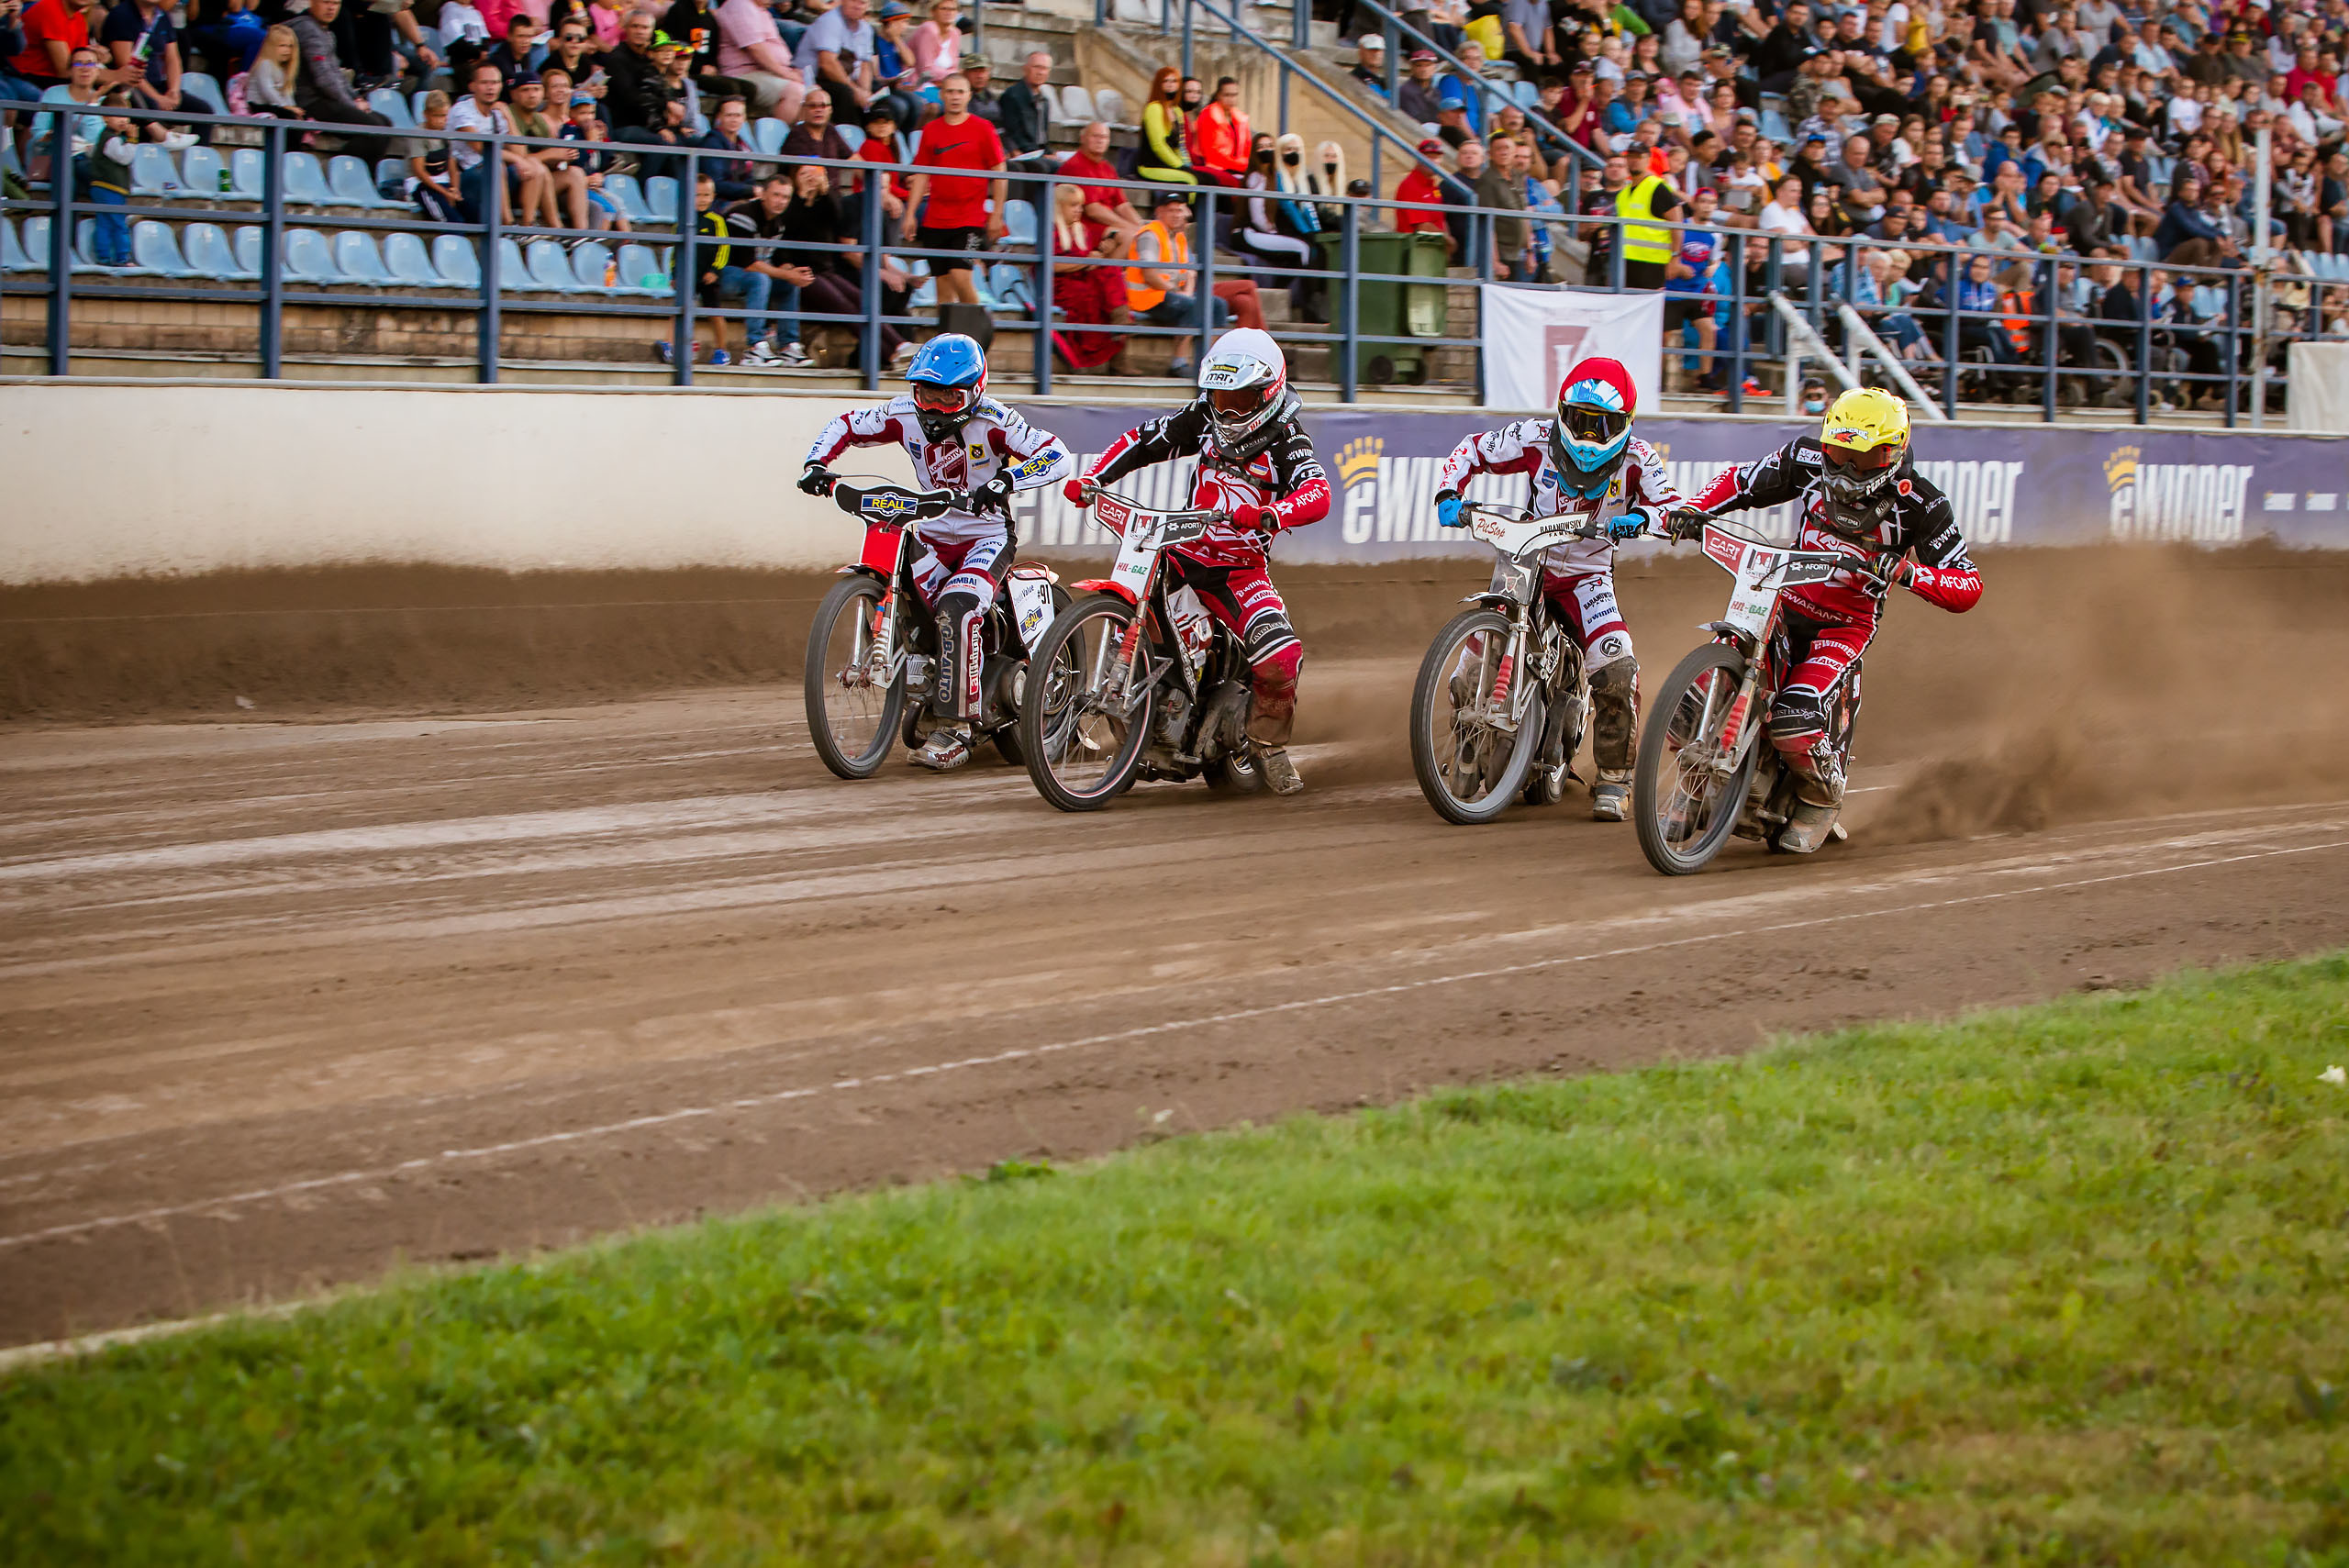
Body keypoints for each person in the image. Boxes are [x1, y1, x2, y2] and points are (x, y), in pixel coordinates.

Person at [1675, 388, 1982, 852]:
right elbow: (1741, 482)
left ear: (1895, 452)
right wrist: (1693, 509)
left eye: (1866, 457)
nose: (1849, 468)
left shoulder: (1922, 504)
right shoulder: (1805, 458)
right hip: (1779, 601)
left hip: (1843, 626)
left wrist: (1903, 570)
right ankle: (1692, 787)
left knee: (1793, 719)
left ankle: (1821, 799)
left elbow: (1967, 586)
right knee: (1694, 696)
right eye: (1840, 452)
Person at [1063, 329, 1330, 795]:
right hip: (1181, 549)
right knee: (1134, 593)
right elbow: (1144, 440)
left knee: (1281, 655)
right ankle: (1117, 714)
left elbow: (1317, 493)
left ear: (1268, 392)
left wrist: (1272, 512)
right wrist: (1093, 478)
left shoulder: (1288, 439)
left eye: (1239, 399)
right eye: (1218, 395)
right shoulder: (1203, 417)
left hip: (1239, 569)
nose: (1225, 409)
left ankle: (1266, 743)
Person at [799, 335, 1075, 771]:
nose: (934, 405)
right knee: (907, 587)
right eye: (927, 392)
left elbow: (1056, 454)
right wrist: (816, 464)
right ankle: (923, 678)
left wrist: (1007, 480)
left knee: (958, 606)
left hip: (985, 536)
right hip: (928, 529)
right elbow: (847, 424)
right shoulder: (902, 412)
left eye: (949, 395)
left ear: (975, 390)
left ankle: (959, 729)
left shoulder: (995, 419)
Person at [1431, 357, 1677, 821]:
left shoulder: (1639, 460)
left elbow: (1674, 507)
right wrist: (1449, 494)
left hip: (1587, 577)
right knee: (1469, 661)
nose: (1587, 437)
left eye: (1601, 425)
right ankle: (1464, 738)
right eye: (1579, 421)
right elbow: (1471, 449)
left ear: (1624, 424)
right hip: (1525, 561)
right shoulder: (1533, 438)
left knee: (1618, 669)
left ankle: (1613, 778)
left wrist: (1644, 518)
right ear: (1561, 414)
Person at [901, 71, 1004, 316]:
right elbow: (922, 174)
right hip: (936, 219)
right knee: (943, 290)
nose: (955, 97)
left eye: (960, 92)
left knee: (961, 275)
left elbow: (999, 171)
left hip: (970, 218)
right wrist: (910, 214)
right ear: (941, 95)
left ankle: (979, 334)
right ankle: (947, 347)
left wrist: (997, 212)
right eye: (950, 91)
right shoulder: (931, 130)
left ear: (969, 95)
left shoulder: (983, 128)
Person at [1125, 187, 1228, 373]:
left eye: (1179, 210)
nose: (1176, 215)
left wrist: (1187, 292)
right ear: (1159, 212)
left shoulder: (1179, 236)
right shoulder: (1150, 234)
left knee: (1218, 305)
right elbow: (1150, 275)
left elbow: (1190, 272)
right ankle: (1178, 363)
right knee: (1191, 306)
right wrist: (1180, 294)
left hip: (1171, 294)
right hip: (1147, 297)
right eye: (1171, 210)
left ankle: (1212, 361)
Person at [288, 0, 391, 162]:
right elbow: (324, 79)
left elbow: (336, 73)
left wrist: (355, 98)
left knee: (385, 123)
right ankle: (340, 171)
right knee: (375, 129)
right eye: (326, 2)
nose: (331, 8)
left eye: (336, 3)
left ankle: (358, 176)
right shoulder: (307, 28)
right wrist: (351, 105)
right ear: (312, 3)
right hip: (310, 102)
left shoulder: (326, 32)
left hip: (327, 99)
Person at [1047, 178, 1124, 371]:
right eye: (1073, 206)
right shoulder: (1051, 230)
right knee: (1090, 296)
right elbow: (1053, 266)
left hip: (1081, 278)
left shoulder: (1082, 230)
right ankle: (1087, 357)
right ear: (1059, 206)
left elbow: (1087, 263)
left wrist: (1098, 255)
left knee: (1110, 270)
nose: (1079, 210)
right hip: (1059, 286)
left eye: (1080, 206)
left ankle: (1121, 319)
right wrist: (1087, 261)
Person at [1138, 63, 1194, 186]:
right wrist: (1179, 166)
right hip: (1152, 166)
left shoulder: (1177, 111)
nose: (1170, 84)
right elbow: (1158, 145)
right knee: (1191, 180)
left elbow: (1180, 146)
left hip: (1172, 164)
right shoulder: (1154, 108)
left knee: (1209, 179)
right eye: (1166, 81)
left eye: (1174, 81)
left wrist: (1187, 165)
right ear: (1159, 84)